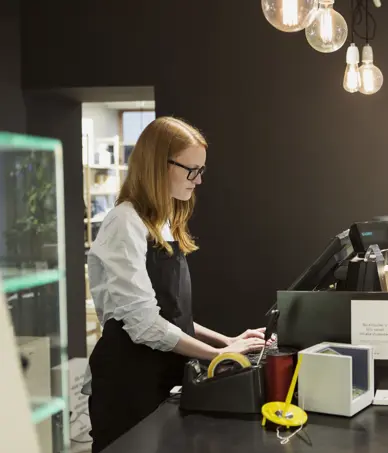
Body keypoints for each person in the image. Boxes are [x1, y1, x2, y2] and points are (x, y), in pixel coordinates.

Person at [85, 117, 265, 452]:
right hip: (130, 384)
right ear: (159, 165)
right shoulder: (125, 223)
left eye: (201, 171)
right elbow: (145, 325)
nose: (197, 181)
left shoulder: (163, 222)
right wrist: (218, 355)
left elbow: (171, 314)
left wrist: (227, 340)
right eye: (191, 170)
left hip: (162, 375)